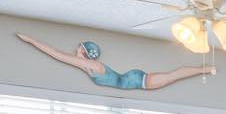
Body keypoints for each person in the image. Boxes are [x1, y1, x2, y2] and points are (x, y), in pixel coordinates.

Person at [13, 33, 212, 91]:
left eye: (79, 48)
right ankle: (202, 69)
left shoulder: (92, 66)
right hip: (134, 79)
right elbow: (59, 55)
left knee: (173, 76)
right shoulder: (89, 67)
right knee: (172, 76)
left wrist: (31, 41)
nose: (75, 51)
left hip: (138, 81)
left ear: (84, 51)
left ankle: (203, 69)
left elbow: (57, 54)